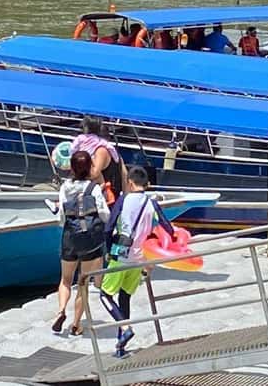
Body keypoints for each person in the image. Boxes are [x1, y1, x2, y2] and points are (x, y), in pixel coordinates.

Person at [101, 166, 175, 357]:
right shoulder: (152, 204)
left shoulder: (124, 200)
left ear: (130, 183)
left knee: (105, 295)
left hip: (121, 255)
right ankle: (121, 347)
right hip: (139, 258)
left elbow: (109, 228)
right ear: (146, 184)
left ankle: (125, 330)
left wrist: (108, 251)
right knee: (124, 298)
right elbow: (169, 230)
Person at [50, 150, 110, 335]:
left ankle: (61, 311)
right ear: (90, 167)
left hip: (70, 236)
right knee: (83, 282)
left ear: (72, 167)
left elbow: (61, 218)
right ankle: (76, 324)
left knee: (65, 280)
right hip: (90, 240)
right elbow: (105, 215)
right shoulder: (94, 188)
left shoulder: (65, 188)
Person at [71, 117, 128, 207]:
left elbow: (94, 173)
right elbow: (125, 176)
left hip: (105, 201)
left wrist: (75, 166)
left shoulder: (101, 151)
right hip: (105, 199)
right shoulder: (114, 153)